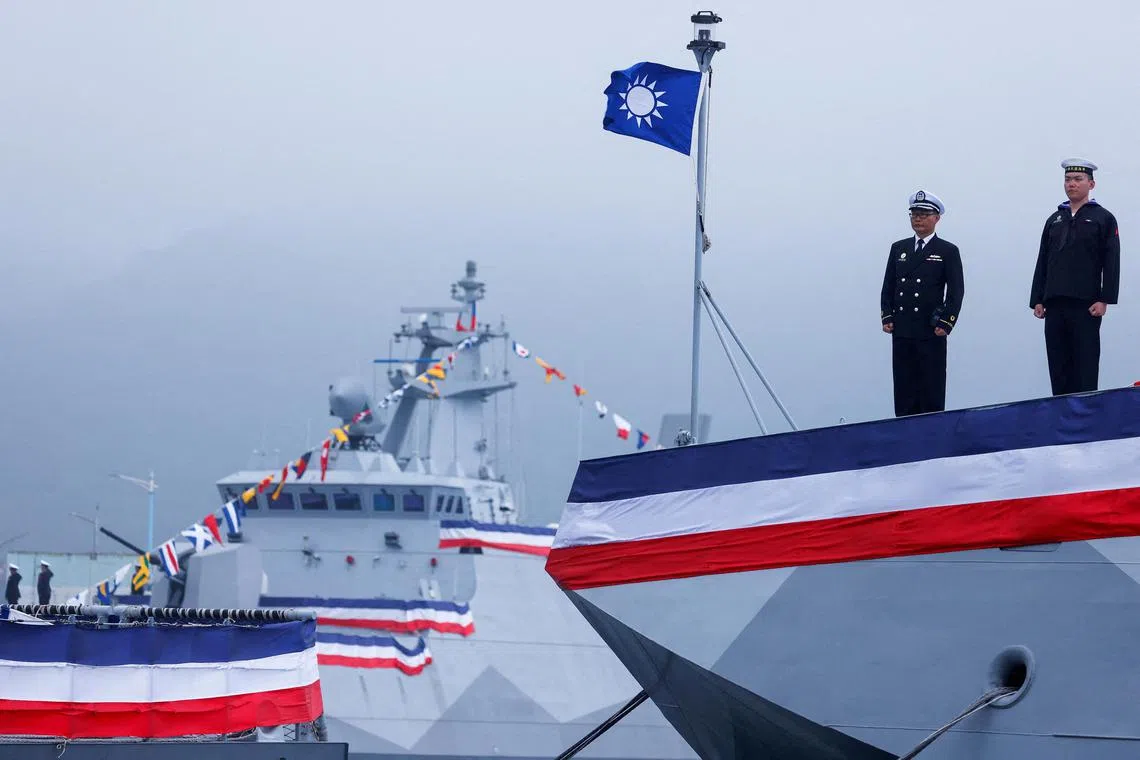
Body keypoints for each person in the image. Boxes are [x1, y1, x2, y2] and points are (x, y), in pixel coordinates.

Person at [1030, 158, 1120, 395]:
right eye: (1068, 179)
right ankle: (1060, 418)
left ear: (1091, 184)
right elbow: (1043, 260)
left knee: (1085, 366)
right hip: (1054, 303)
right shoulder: (1054, 219)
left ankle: (1086, 421)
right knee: (1058, 367)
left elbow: (1111, 261)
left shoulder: (1103, 218)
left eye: (1078, 180)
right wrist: (1037, 298)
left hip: (1085, 304)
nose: (1072, 184)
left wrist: (1105, 299)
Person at [880, 190, 965, 417]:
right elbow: (888, 285)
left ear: (936, 218)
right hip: (903, 328)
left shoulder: (947, 251)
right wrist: (887, 316)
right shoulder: (899, 249)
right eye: (914, 214)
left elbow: (956, 291)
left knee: (930, 388)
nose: (918, 219)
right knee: (904, 387)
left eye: (924, 214)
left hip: (930, 330)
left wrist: (947, 322)